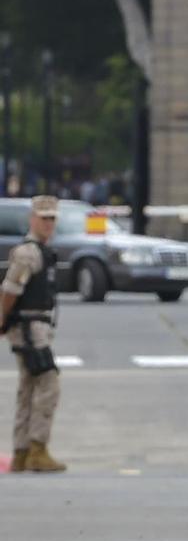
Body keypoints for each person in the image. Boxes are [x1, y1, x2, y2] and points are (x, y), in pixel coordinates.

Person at [3, 195, 66, 473]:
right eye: (44, 218)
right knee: (48, 384)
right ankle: (37, 448)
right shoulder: (28, 253)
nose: (48, 224)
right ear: (33, 220)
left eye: (52, 218)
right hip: (29, 329)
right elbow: (10, 291)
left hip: (35, 326)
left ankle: (22, 453)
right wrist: (2, 320)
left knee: (28, 388)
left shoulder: (41, 251)